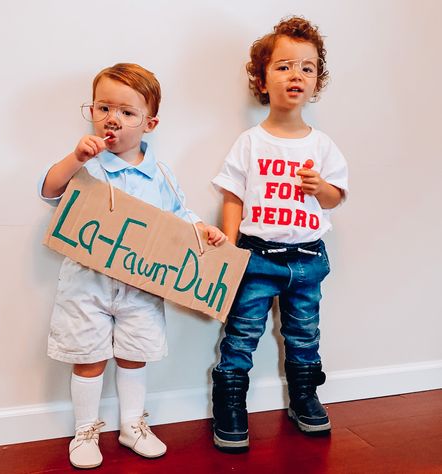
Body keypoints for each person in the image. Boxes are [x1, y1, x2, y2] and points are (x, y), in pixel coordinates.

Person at [39, 63, 226, 469]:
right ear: (91, 111)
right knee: (87, 356)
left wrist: (203, 231)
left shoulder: (159, 173)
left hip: (140, 285)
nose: (113, 119)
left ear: (149, 123)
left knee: (133, 354)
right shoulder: (87, 165)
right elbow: (50, 190)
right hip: (86, 284)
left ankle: (131, 424)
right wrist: (75, 157)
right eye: (104, 108)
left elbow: (180, 214)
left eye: (126, 112)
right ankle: (86, 428)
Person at [211, 16, 349, 451]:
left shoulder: (322, 144)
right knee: (241, 333)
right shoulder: (250, 142)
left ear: (316, 82)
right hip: (256, 257)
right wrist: (231, 247)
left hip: (307, 258)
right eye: (285, 66)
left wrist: (322, 188)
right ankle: (231, 404)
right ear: (262, 79)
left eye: (307, 68)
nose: (297, 75)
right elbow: (232, 196)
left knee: (304, 334)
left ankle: (304, 396)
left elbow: (335, 198)